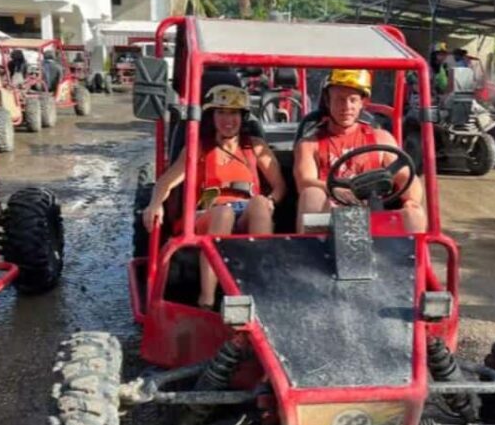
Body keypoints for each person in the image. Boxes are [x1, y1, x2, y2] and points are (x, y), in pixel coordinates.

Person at [143, 84, 286, 309]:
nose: (228, 119)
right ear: (211, 117)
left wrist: (271, 202)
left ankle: (258, 291)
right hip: (207, 213)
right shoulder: (198, 148)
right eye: (221, 112)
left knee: (259, 203)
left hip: (246, 211)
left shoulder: (255, 147)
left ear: (243, 117)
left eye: (234, 113)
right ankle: (207, 299)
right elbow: (166, 181)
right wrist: (155, 203)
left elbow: (279, 187)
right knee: (224, 213)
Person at [293, 69, 427, 234]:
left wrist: (412, 200)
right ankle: (313, 255)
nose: (347, 107)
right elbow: (304, 182)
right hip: (328, 216)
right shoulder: (309, 143)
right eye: (340, 100)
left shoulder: (381, 138)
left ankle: (410, 258)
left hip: (373, 212)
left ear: (362, 103)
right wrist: (338, 191)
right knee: (311, 194)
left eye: (353, 100)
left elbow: (407, 177)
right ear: (328, 102)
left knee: (415, 214)